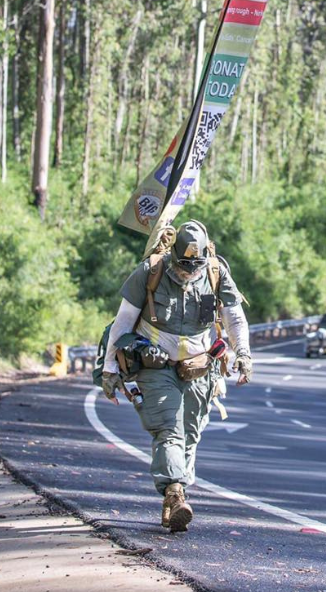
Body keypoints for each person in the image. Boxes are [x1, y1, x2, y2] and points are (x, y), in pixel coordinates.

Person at [101, 220, 252, 532]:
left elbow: (234, 316)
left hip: (200, 367)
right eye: (183, 265)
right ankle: (174, 490)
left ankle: (176, 493)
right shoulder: (150, 272)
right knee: (169, 429)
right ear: (173, 256)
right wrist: (109, 370)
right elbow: (123, 322)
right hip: (156, 367)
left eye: (194, 266)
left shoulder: (215, 272)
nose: (188, 272)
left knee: (191, 433)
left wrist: (244, 354)